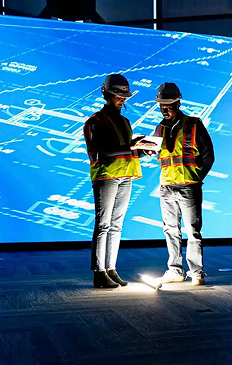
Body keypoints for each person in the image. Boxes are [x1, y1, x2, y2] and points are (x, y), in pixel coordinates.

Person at [151, 82, 214, 286]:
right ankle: (175, 271)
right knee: (170, 229)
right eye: (161, 104)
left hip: (189, 186)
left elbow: (208, 156)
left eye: (168, 104)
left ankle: (196, 272)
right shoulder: (158, 129)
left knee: (192, 231)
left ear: (178, 103)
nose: (164, 108)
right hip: (166, 187)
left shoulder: (194, 124)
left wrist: (195, 178)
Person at [84, 73, 142, 289]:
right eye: (119, 95)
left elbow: (126, 149)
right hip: (107, 177)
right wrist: (131, 148)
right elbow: (100, 152)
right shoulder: (94, 121)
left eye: (124, 96)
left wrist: (141, 150)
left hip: (126, 175)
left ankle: (111, 269)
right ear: (106, 94)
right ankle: (99, 273)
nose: (122, 99)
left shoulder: (125, 121)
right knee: (103, 224)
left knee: (116, 226)